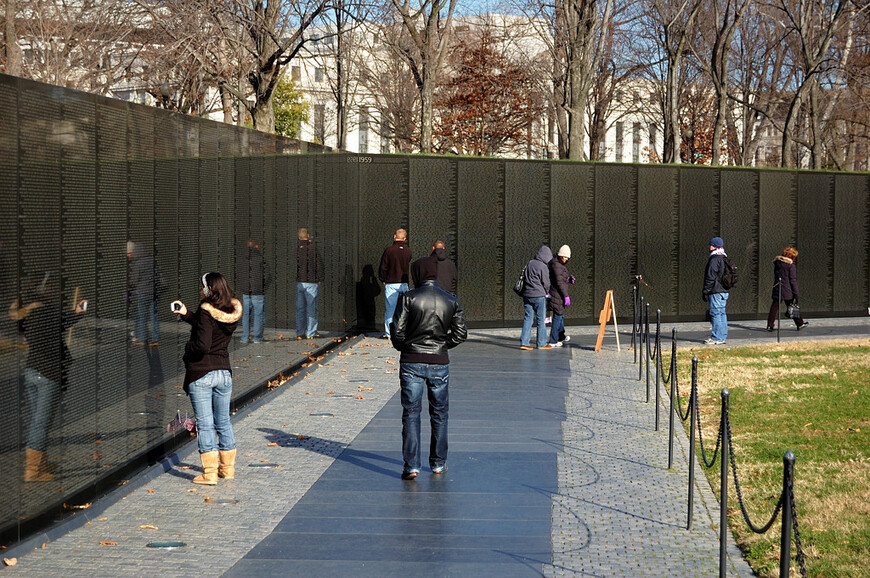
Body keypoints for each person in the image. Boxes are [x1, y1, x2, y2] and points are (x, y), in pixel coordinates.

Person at [390, 257, 467, 480]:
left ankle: (411, 466)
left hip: (411, 361)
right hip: (439, 362)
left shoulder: (408, 297)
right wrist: (442, 346)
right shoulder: (450, 300)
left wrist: (405, 348)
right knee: (440, 413)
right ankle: (438, 463)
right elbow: (461, 334)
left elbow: (397, 331)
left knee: (411, 413)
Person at [10, 272, 88, 481]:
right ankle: (33, 471)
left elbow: (52, 325)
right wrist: (78, 313)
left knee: (38, 420)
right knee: (41, 422)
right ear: (43, 290)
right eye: (51, 287)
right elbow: (60, 324)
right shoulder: (46, 311)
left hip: (31, 370)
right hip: (48, 373)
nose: (54, 290)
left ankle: (41, 462)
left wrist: (76, 313)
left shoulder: (27, 312)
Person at [171, 272, 242, 485]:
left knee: (205, 424)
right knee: (223, 421)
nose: (201, 290)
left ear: (209, 289)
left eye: (202, 287)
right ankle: (227, 469)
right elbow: (210, 326)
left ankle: (209, 473)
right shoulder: (231, 311)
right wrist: (187, 314)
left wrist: (187, 348)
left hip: (202, 373)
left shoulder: (206, 312)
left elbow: (202, 344)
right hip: (224, 373)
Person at [378, 228, 412, 339]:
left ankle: (389, 334)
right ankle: (403, 332)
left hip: (391, 283)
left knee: (390, 310)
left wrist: (383, 279)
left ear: (394, 236)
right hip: (404, 283)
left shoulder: (389, 250)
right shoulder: (408, 251)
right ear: (405, 238)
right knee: (404, 310)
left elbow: (383, 267)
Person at [236, 239, 271, 343]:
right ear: (256, 247)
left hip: (246, 291)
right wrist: (263, 287)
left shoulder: (242, 260)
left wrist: (242, 287)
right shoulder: (261, 259)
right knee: (258, 314)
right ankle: (257, 337)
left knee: (246, 314)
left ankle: (245, 336)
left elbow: (238, 275)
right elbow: (268, 276)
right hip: (258, 291)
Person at [127, 241, 161, 346]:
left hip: (142, 293)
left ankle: (141, 338)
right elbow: (157, 276)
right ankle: (155, 339)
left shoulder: (138, 263)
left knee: (142, 316)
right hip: (153, 292)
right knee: (153, 316)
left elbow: (134, 280)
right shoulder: (152, 261)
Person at [520, 245, 554, 350]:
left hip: (527, 295)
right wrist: (547, 291)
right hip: (539, 296)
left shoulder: (530, 263)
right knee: (541, 320)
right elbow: (546, 283)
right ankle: (541, 343)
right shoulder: (543, 266)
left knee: (528, 318)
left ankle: (524, 343)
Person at [767, 247, 808, 331]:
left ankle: (770, 325)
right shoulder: (791, 266)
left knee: (774, 307)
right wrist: (796, 293)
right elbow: (793, 280)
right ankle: (800, 324)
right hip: (787, 289)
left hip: (777, 288)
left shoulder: (777, 263)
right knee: (791, 306)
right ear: (792, 256)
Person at [295, 228, 323, 339]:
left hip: (300, 282)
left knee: (300, 309)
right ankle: (311, 332)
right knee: (311, 309)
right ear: (308, 236)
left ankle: (299, 332)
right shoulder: (312, 248)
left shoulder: (297, 249)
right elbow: (318, 263)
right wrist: (320, 278)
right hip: (311, 282)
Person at [702, 237, 729, 345]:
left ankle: (716, 337)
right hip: (724, 291)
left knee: (715, 314)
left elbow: (710, 277)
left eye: (711, 244)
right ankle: (722, 336)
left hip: (715, 291)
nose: (709, 246)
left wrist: (706, 291)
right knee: (722, 313)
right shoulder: (724, 258)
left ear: (714, 246)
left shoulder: (714, 259)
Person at [548, 245, 573, 347]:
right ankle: (553, 340)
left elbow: (562, 279)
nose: (566, 259)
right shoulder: (557, 265)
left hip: (558, 295)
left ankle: (561, 336)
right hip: (557, 295)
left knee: (560, 315)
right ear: (560, 255)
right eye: (565, 257)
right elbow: (559, 283)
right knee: (558, 317)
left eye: (568, 257)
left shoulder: (558, 264)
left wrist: (569, 279)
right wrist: (566, 296)